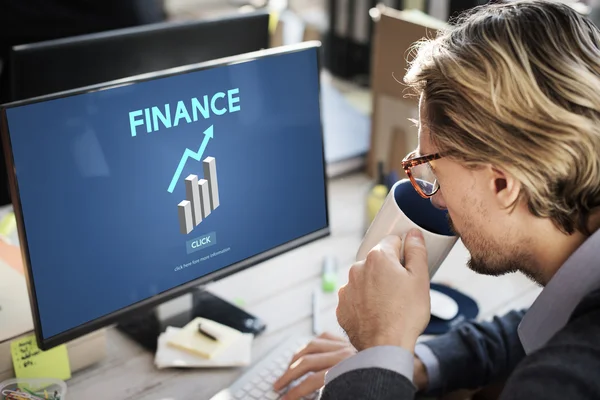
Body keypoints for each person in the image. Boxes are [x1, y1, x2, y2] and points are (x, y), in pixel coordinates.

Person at [273, 0, 600, 399]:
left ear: (503, 184)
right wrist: (409, 362)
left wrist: (380, 348)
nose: (437, 200)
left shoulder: (567, 382)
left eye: (433, 170)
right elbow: (538, 327)